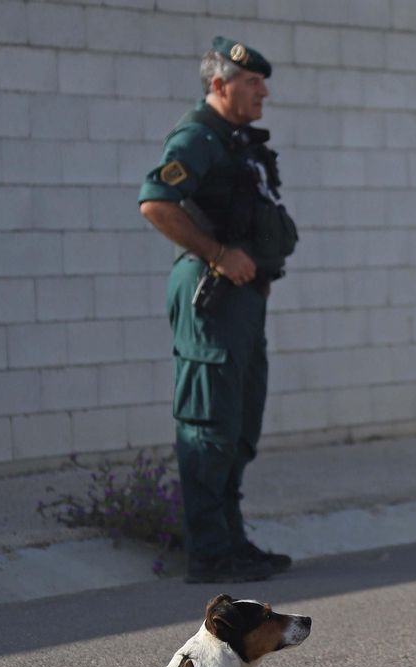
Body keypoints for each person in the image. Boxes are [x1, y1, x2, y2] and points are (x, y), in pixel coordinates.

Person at [138, 37, 298, 584]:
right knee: (208, 425)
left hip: (243, 301)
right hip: (210, 295)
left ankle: (231, 540)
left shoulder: (236, 141)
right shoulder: (198, 137)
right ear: (219, 85)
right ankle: (208, 551)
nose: (264, 91)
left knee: (239, 423)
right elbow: (155, 201)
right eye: (253, 82)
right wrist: (219, 255)